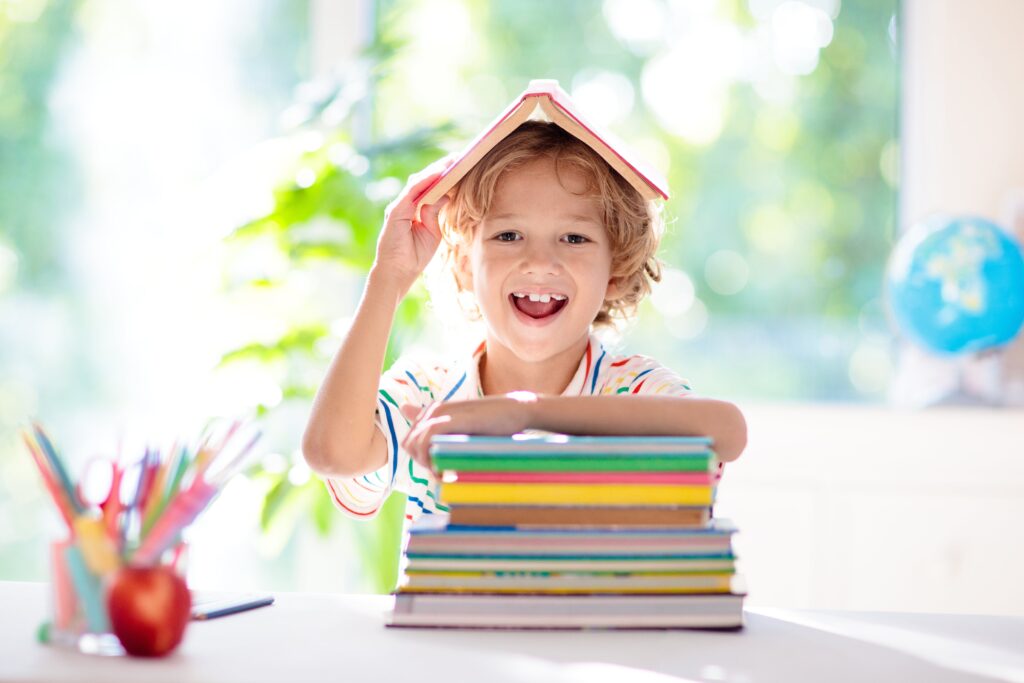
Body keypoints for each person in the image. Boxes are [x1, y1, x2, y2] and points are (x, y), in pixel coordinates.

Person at [302, 121, 747, 523]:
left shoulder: (633, 392)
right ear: (462, 264)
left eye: (574, 238)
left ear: (616, 272)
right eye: (508, 235)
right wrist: (389, 277)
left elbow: (727, 431)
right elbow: (331, 453)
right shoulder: (427, 395)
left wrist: (524, 412)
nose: (539, 261)